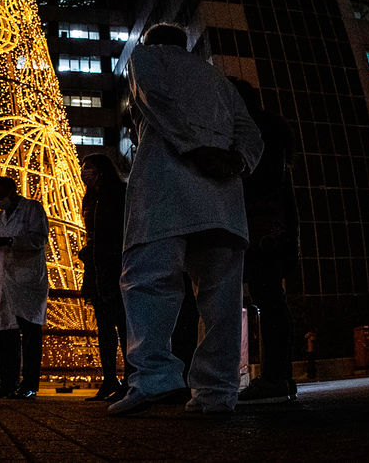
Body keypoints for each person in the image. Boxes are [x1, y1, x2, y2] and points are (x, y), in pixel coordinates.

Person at [108, 23, 263, 417]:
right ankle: (216, 393)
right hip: (222, 197)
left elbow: (155, 99)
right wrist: (237, 160)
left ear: (151, 42)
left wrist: (195, 149)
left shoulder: (145, 59)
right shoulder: (217, 78)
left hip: (165, 187)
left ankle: (155, 379)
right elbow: (250, 133)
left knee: (148, 283)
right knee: (221, 298)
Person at [229, 77, 299, 405]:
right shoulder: (273, 130)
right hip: (274, 227)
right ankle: (280, 375)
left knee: (268, 298)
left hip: (261, 228)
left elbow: (256, 181)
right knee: (271, 300)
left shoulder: (253, 131)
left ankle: (274, 377)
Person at [0, 175, 50, 400]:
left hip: (27, 280)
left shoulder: (32, 209)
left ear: (12, 191)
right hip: (3, 280)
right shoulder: (0, 216)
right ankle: (8, 383)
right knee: (6, 335)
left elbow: (39, 239)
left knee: (29, 333)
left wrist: (8, 242)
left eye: (1, 196)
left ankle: (29, 385)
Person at [78, 153, 132, 402]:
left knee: (124, 327)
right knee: (104, 328)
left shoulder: (119, 195)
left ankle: (130, 379)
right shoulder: (90, 199)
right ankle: (109, 378)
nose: (83, 172)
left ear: (101, 170)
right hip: (96, 269)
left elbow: (121, 231)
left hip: (115, 267)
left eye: (87, 168)